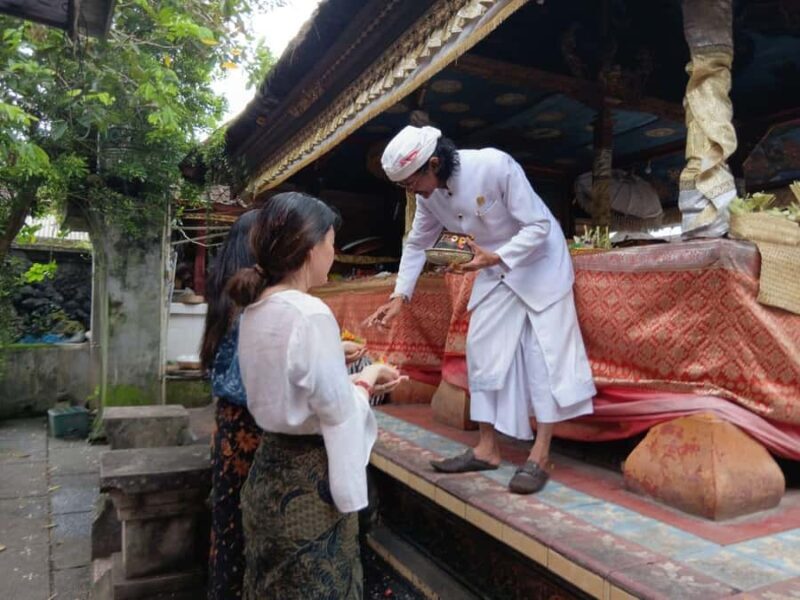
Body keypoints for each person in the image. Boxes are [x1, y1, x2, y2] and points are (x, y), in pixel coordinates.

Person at [365, 125, 596, 494]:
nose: (411, 193)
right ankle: (487, 449)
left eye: (411, 183)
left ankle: (539, 456)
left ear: (434, 164)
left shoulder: (493, 165)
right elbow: (418, 243)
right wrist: (399, 296)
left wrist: (497, 256)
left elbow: (538, 225)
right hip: (492, 267)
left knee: (542, 355)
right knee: (481, 349)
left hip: (540, 263)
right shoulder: (429, 196)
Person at [228, 192, 404, 599]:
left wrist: (333, 357)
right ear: (310, 248)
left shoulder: (256, 308)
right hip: (309, 488)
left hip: (268, 473)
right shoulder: (310, 313)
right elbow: (337, 412)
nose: (333, 253)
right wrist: (368, 378)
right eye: (330, 243)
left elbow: (287, 378)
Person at [199, 210, 262, 600]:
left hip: (228, 424)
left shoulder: (225, 292)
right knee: (242, 524)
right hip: (247, 427)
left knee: (228, 525)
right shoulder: (249, 300)